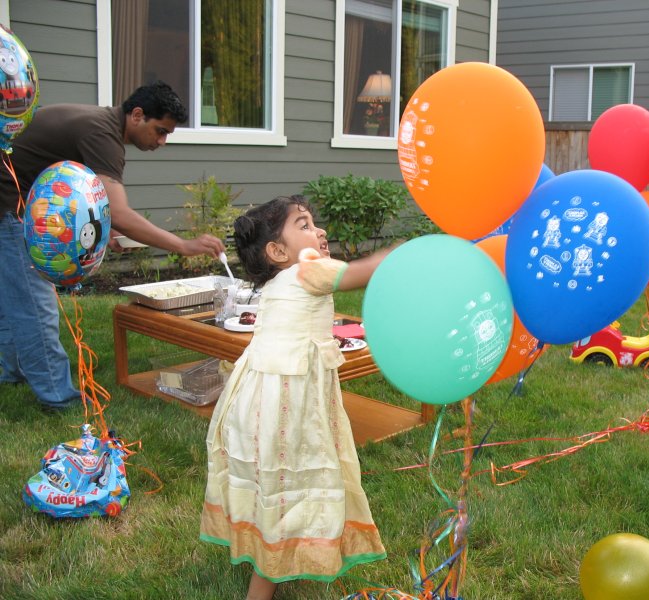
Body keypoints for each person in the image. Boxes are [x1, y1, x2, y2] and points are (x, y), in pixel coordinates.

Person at [200, 196, 389, 600]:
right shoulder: (309, 269)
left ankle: (271, 547)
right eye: (304, 225)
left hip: (258, 402)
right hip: (289, 404)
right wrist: (397, 255)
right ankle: (265, 579)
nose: (319, 231)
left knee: (271, 481)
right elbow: (363, 272)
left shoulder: (275, 284)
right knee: (291, 482)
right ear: (278, 251)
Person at [0, 81, 226, 410]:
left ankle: (15, 372)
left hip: (18, 198)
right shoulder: (102, 135)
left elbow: (88, 193)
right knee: (34, 304)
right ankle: (58, 398)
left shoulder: (100, 125)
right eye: (160, 131)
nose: (162, 142)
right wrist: (183, 245)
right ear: (137, 115)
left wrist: (107, 230)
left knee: (14, 297)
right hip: (10, 203)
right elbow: (118, 212)